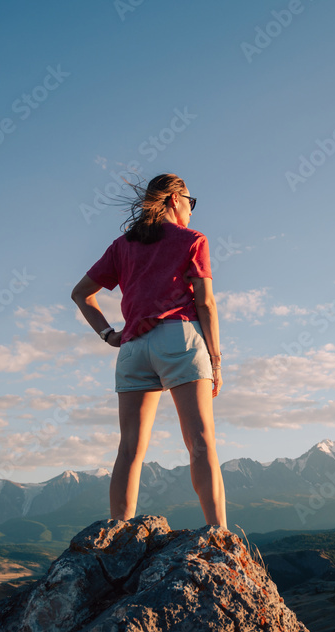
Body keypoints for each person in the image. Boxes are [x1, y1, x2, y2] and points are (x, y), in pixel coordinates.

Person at [70, 173, 227, 528]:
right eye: (190, 201)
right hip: (179, 338)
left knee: (129, 449)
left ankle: (118, 534)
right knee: (201, 443)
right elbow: (205, 303)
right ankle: (218, 535)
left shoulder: (122, 245)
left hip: (132, 348)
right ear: (174, 199)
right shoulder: (193, 240)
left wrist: (108, 334)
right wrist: (216, 361)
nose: (192, 210)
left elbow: (81, 293)